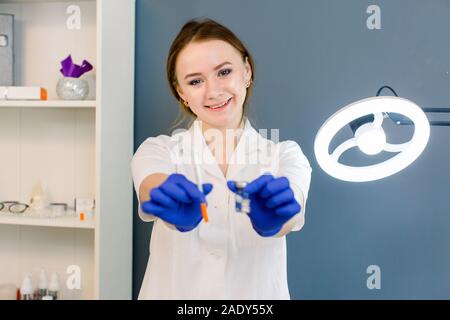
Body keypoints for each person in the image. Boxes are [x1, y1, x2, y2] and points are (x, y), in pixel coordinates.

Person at [131, 18, 312, 300]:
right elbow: (150, 183)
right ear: (182, 92)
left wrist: (277, 220)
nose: (213, 91)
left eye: (224, 71)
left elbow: (294, 205)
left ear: (247, 71)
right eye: (195, 81)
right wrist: (165, 199)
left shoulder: (285, 156)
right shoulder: (159, 150)